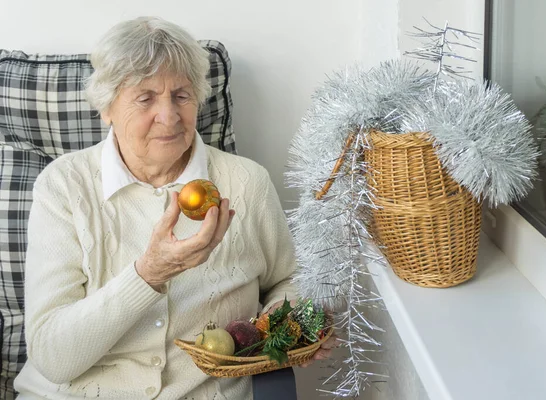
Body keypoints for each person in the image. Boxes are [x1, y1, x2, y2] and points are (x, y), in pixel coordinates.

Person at [14, 16, 337, 399]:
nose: (168, 117)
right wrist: (148, 274)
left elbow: (290, 279)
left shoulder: (246, 183)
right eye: (145, 97)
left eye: (181, 96)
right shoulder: (64, 186)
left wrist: (285, 321)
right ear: (107, 107)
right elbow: (53, 358)